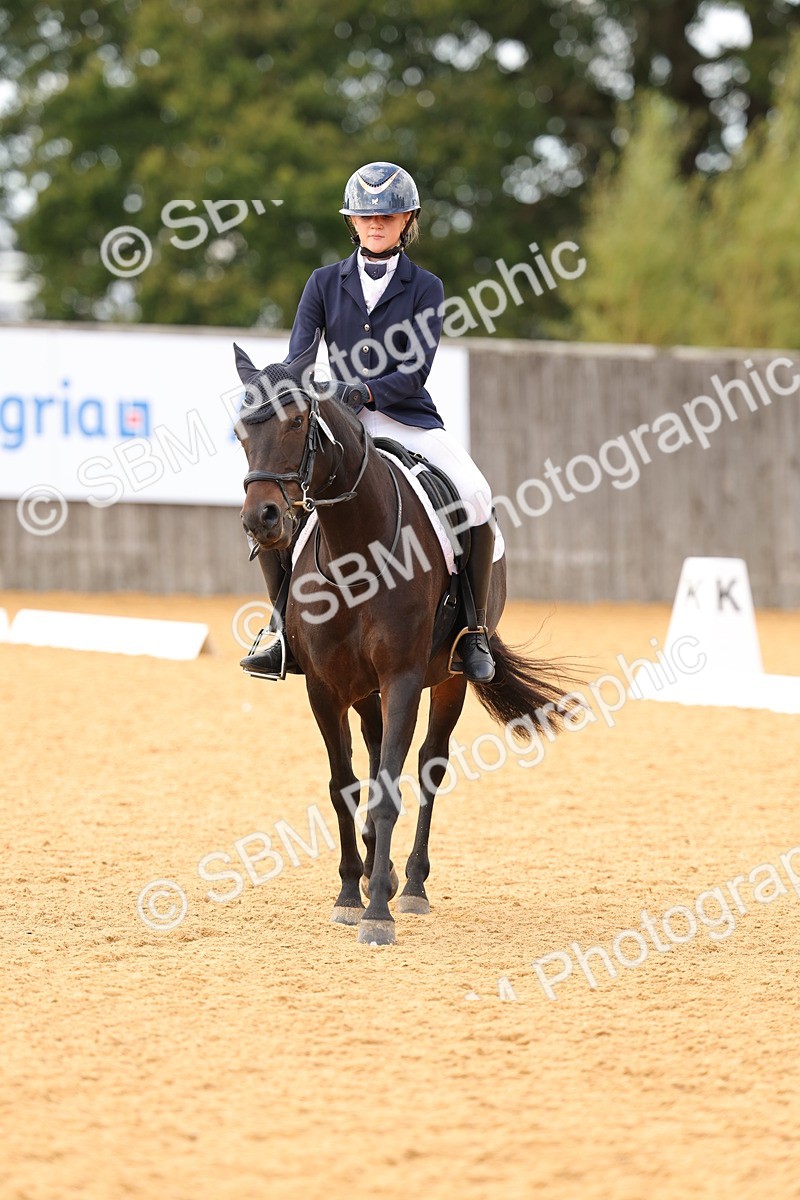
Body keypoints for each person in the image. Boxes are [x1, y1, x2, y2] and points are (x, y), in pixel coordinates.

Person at [241, 160, 496, 683]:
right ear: (352, 222)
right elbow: (297, 361)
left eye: (388, 216)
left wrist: (370, 389)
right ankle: (281, 631)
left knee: (476, 495)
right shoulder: (321, 283)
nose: (376, 225)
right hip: (340, 425)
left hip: (406, 419)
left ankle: (472, 633)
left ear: (408, 221)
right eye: (365, 217)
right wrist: (329, 397)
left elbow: (418, 367)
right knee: (278, 502)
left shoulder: (426, 286)